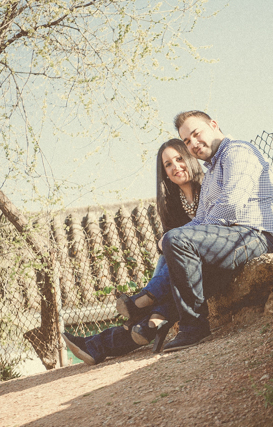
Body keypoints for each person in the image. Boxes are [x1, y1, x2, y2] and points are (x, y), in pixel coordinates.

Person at [61, 138, 204, 365]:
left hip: (206, 264)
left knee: (170, 254)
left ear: (190, 159)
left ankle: (141, 304)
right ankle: (141, 321)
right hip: (181, 271)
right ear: (164, 172)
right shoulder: (172, 203)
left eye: (179, 159)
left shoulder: (209, 188)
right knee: (165, 264)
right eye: (167, 164)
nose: (175, 166)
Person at [160, 110, 273, 351]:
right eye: (187, 141)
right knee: (170, 249)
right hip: (229, 239)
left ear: (214, 125)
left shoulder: (238, 151)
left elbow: (231, 205)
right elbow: (201, 219)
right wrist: (170, 238)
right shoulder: (211, 173)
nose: (193, 144)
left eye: (196, 134)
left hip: (256, 235)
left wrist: (180, 238)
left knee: (176, 242)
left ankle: (194, 325)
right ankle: (110, 341)